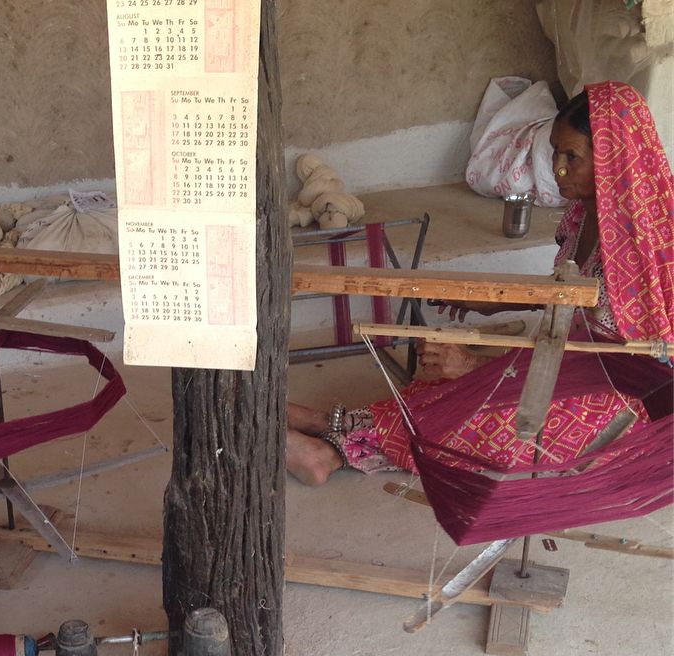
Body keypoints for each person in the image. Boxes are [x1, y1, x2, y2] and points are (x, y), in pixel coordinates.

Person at [287, 81, 674, 485]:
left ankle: (330, 453)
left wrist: (475, 363)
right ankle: (330, 423)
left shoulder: (650, 242)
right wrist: (497, 302)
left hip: (617, 403)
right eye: (555, 151)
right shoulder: (587, 214)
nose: (557, 168)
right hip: (569, 363)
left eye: (571, 157)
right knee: (451, 386)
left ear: (613, 158)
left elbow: (628, 367)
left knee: (496, 411)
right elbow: (575, 295)